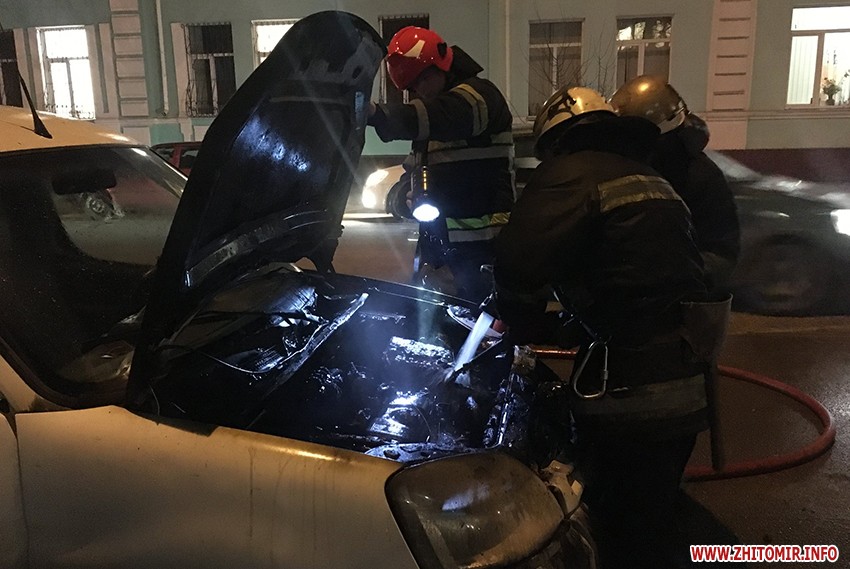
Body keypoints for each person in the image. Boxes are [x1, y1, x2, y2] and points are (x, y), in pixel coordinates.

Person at [493, 85, 729, 569]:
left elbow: (518, 266)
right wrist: (567, 327)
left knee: (617, 527)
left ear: (555, 140)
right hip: (687, 382)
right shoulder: (650, 176)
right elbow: (640, 282)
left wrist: (519, 323)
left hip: (629, 394)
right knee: (656, 515)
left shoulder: (565, 175)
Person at [367, 26, 515, 302]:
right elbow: (411, 173)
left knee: (484, 326)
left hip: (485, 255)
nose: (421, 91)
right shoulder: (431, 123)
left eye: (423, 79)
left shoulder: (479, 97)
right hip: (440, 255)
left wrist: (378, 115)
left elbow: (446, 116)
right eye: (412, 88)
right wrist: (402, 198)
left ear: (442, 63)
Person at [610, 75, 741, 291]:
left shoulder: (700, 176)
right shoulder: (628, 169)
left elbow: (721, 255)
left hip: (681, 300)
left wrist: (667, 273)